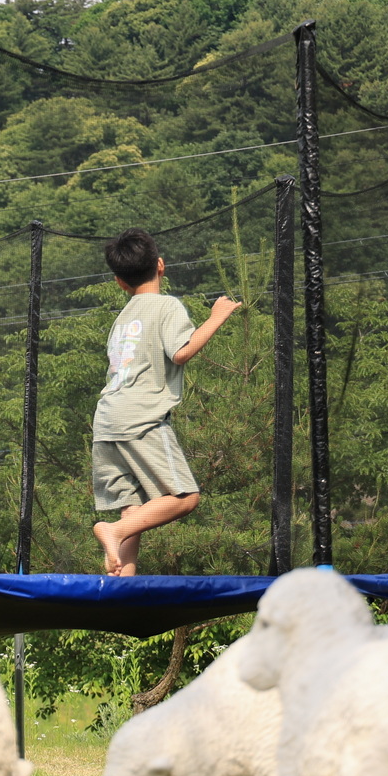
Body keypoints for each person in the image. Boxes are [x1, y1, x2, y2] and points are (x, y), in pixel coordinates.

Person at [91, 228, 240, 577]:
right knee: (184, 497)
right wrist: (217, 316)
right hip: (140, 418)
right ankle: (110, 531)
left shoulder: (123, 317)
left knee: (133, 512)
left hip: (106, 421)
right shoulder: (166, 305)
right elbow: (181, 351)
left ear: (119, 282)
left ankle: (119, 591)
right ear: (161, 265)